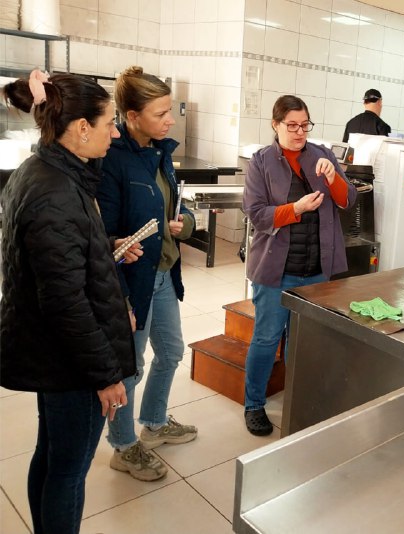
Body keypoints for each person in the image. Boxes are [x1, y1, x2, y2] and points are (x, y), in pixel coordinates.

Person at [1, 70, 138, 534]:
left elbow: (64, 259)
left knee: (52, 454)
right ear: (81, 128)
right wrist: (105, 375)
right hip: (71, 362)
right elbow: (64, 301)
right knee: (69, 471)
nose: (115, 133)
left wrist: (107, 244)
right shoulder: (56, 191)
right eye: (108, 124)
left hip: (51, 351)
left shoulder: (45, 171)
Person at [97, 66, 197, 481]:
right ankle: (123, 446)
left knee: (172, 352)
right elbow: (101, 235)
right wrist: (119, 244)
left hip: (164, 274)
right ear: (132, 116)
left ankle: (153, 422)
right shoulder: (113, 160)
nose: (170, 120)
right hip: (133, 280)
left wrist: (185, 224)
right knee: (130, 365)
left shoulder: (160, 152)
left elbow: (176, 207)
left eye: (170, 111)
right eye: (161, 114)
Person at [243, 95, 357, 435]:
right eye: (291, 125)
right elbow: (257, 214)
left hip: (316, 269)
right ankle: (254, 405)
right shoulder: (261, 162)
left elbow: (348, 200)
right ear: (275, 124)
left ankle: (300, 399)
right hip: (276, 269)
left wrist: (333, 177)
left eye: (304, 124)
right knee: (266, 339)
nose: (299, 131)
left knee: (304, 341)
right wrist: (296, 209)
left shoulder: (323, 155)